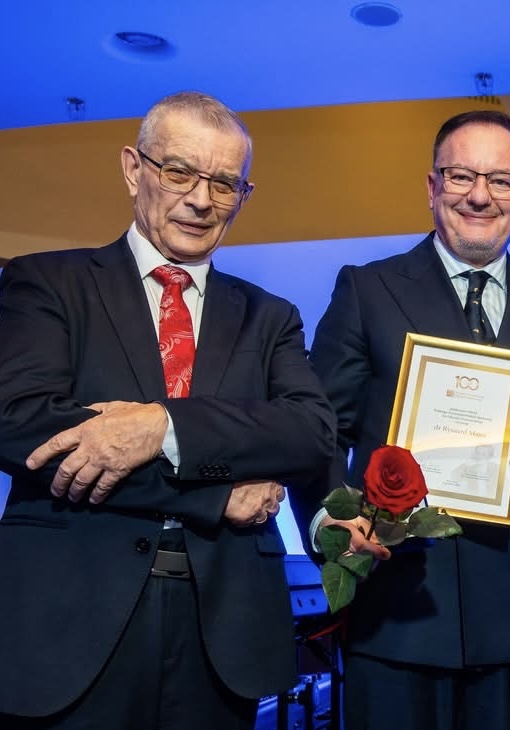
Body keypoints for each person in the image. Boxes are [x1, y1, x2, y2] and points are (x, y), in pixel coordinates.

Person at [0, 91, 335, 730]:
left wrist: (163, 427)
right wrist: (213, 494)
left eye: (224, 183)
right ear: (134, 169)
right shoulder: (46, 283)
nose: (201, 199)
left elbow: (310, 433)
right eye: (179, 172)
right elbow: (20, 425)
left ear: (243, 195)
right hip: (68, 626)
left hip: (225, 634)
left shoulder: (271, 318)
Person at [302, 110, 510, 730]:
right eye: (461, 175)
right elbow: (319, 427)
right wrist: (328, 519)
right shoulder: (367, 290)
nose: (479, 196)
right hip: (397, 611)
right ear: (433, 186)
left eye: (500, 180)